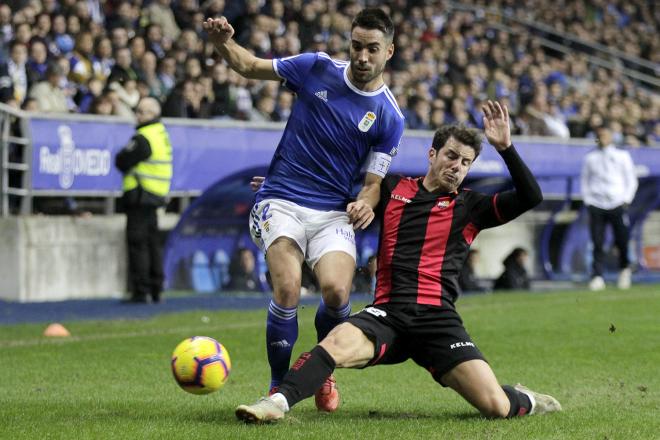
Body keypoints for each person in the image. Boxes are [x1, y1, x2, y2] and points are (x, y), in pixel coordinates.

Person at [235, 101, 561, 424]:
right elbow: (339, 198)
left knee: (495, 406)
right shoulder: (394, 188)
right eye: (450, 156)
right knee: (333, 344)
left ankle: (526, 398)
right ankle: (276, 402)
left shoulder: (472, 206)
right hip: (387, 314)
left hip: (437, 319)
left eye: (465, 162)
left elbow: (531, 196)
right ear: (432, 155)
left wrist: (506, 148)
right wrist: (285, 191)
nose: (456, 166)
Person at [204, 8, 405, 411]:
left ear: (389, 52)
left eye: (372, 49)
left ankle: (321, 370)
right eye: (357, 46)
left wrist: (365, 205)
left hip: (332, 211)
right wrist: (224, 42)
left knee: (336, 291)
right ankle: (280, 388)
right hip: (280, 199)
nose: (362, 56)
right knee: (289, 287)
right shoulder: (316, 67)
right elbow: (247, 66)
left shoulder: (389, 116)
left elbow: (373, 185)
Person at [114, 97, 173, 303]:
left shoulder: (143, 137)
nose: (137, 115)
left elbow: (121, 161)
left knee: (138, 244)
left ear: (152, 114)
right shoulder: (161, 133)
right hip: (155, 196)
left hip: (140, 196)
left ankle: (141, 290)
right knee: (152, 244)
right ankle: (156, 289)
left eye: (141, 111)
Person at [580, 125, 638, 291]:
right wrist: (588, 200)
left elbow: (631, 179)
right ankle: (597, 276)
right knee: (597, 241)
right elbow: (585, 180)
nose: (603, 138)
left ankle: (624, 270)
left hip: (617, 203)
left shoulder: (622, 155)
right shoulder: (590, 158)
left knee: (622, 240)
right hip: (596, 204)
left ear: (611, 137)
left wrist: (626, 199)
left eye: (605, 135)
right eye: (600, 135)